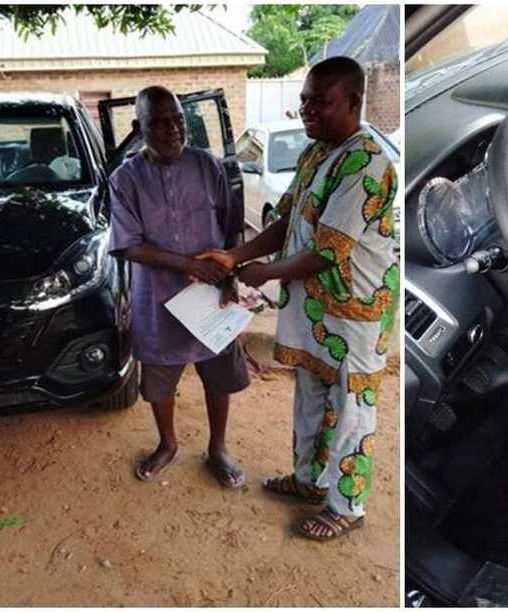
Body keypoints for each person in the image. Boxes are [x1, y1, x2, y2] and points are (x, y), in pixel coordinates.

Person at [199, 57, 397, 540]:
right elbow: (287, 221)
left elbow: (326, 251)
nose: (307, 109)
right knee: (310, 396)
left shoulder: (367, 161)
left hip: (357, 313)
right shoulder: (317, 152)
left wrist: (261, 273)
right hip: (315, 309)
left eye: (320, 101)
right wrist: (236, 256)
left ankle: (346, 506)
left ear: (354, 101)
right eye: (305, 99)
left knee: (352, 408)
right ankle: (310, 482)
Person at [108, 85, 251, 488]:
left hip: (211, 296)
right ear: (139, 128)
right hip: (157, 301)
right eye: (159, 123)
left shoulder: (207, 166)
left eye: (178, 121)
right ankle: (168, 443)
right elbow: (128, 244)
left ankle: (218, 448)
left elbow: (230, 226)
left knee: (218, 374)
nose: (172, 130)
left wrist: (231, 276)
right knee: (159, 382)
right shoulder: (125, 179)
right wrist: (188, 265)